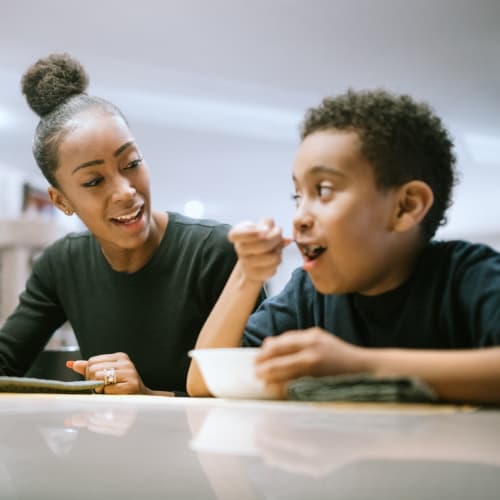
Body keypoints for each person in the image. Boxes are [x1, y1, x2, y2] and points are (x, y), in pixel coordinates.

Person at [187, 89, 500, 404]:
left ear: (405, 207)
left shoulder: (468, 275)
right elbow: (202, 382)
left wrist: (360, 367)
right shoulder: (307, 295)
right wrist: (248, 274)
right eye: (298, 196)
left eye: (323, 191)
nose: (299, 217)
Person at [0, 53, 246, 396]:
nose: (125, 191)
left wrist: (149, 397)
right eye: (93, 181)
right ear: (61, 201)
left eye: (131, 163)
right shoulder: (61, 265)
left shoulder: (215, 252)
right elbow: (5, 361)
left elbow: (257, 392)